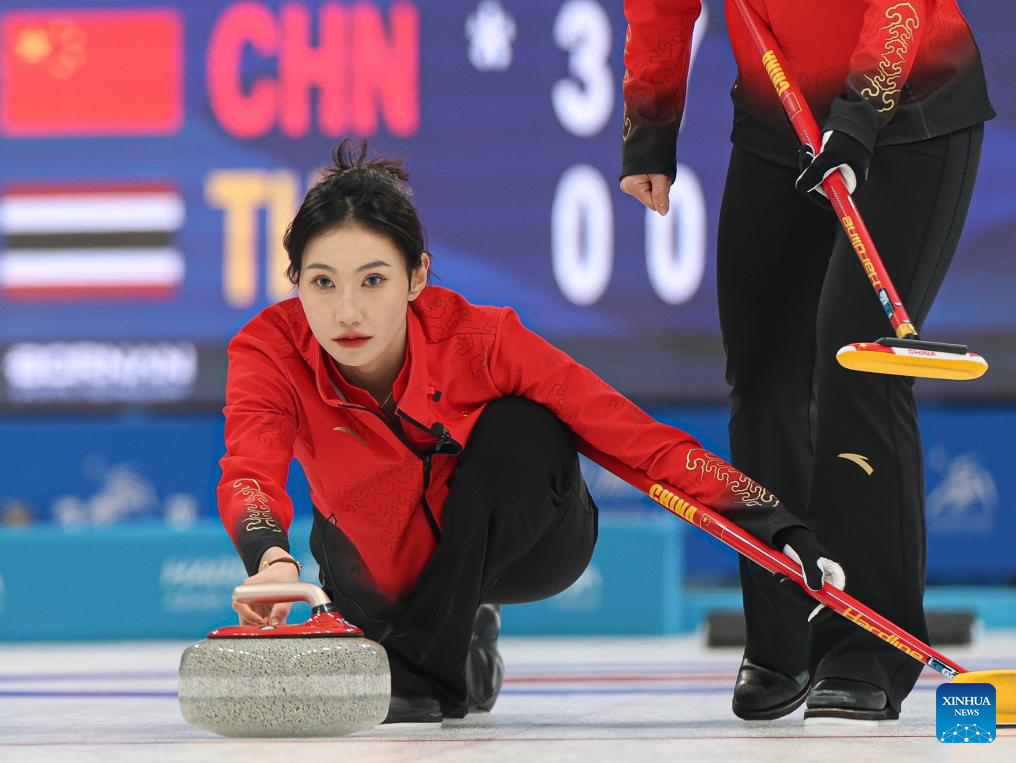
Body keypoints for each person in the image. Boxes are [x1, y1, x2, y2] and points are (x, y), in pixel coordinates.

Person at [218, 140, 845, 725]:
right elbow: (251, 469)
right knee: (424, 642)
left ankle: (422, 671)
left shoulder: (482, 340)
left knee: (523, 426)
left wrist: (773, 521)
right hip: (375, 567)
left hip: (528, 546)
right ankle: (456, 644)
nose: (347, 311)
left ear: (417, 277)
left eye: (373, 279)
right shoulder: (269, 351)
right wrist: (271, 561)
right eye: (322, 282)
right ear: (295, 283)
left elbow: (631, 438)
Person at [620, 0, 994, 723]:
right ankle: (782, 634)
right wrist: (650, 122)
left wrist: (858, 118)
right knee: (762, 376)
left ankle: (869, 647)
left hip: (910, 111)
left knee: (858, 360)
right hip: (777, 120)